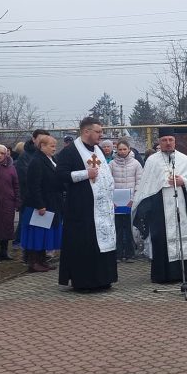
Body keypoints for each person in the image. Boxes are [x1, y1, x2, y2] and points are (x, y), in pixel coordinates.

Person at [55, 117, 118, 291]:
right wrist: (85, 174)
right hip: (81, 209)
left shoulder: (97, 149)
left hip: (102, 207)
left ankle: (104, 278)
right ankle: (84, 282)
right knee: (85, 244)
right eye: (98, 132)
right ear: (86, 132)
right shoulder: (70, 152)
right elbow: (60, 175)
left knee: (102, 243)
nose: (101, 135)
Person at [133, 128, 187, 283]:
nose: (168, 143)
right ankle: (162, 274)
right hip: (159, 207)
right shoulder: (152, 160)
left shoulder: (184, 159)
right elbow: (146, 186)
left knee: (182, 236)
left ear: (175, 141)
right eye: (164, 140)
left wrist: (183, 181)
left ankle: (183, 273)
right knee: (160, 239)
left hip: (181, 206)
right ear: (159, 142)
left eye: (171, 140)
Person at [19, 135, 63, 272]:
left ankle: (42, 260)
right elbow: (34, 186)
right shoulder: (36, 162)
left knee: (45, 233)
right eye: (51, 146)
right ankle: (33, 261)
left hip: (52, 201)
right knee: (36, 234)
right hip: (39, 204)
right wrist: (40, 205)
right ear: (42, 146)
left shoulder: (52, 159)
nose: (54, 148)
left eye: (55, 146)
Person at [108, 139, 142, 263]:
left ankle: (130, 254)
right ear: (116, 150)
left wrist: (133, 199)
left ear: (129, 149)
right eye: (120, 149)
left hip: (130, 202)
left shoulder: (136, 164)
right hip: (116, 203)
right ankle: (117, 254)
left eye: (124, 149)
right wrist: (111, 200)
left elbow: (139, 182)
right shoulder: (111, 164)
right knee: (116, 228)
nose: (122, 152)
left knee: (128, 228)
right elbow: (108, 182)